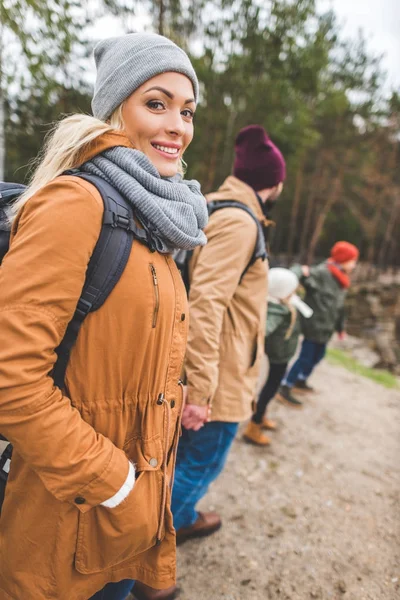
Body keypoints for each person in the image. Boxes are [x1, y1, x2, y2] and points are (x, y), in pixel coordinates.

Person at [0, 33, 208, 600]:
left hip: (131, 512)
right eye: (156, 103)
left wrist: (141, 493)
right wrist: (115, 483)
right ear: (116, 108)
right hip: (70, 508)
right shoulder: (76, 203)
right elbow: (10, 382)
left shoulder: (159, 218)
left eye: (186, 111)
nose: (177, 126)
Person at [171, 125, 286, 543]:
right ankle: (150, 556)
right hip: (220, 372)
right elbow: (206, 303)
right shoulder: (240, 223)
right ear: (274, 182)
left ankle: (173, 524)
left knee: (183, 460)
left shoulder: (216, 208)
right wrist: (202, 392)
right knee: (201, 463)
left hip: (209, 364)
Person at [277, 241, 359, 405]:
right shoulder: (322, 272)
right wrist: (294, 277)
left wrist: (340, 328)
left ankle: (301, 380)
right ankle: (285, 386)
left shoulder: (342, 280)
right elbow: (298, 274)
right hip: (314, 325)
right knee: (306, 357)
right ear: (343, 259)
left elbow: (339, 308)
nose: (355, 265)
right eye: (353, 261)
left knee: (318, 356)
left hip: (327, 328)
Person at [243, 268, 313, 445]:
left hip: (284, 353)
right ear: (283, 291)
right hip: (279, 356)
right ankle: (254, 425)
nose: (295, 291)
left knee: (271, 386)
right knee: (271, 388)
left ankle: (261, 413)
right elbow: (262, 331)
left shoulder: (283, 298)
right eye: (293, 289)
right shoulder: (278, 309)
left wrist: (301, 270)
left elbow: (290, 277)